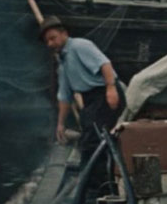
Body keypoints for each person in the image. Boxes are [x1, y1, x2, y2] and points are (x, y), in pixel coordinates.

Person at [41, 15, 125, 164]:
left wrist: (111, 89)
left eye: (52, 38)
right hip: (90, 100)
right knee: (87, 137)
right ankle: (92, 179)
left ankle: (98, 183)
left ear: (64, 33)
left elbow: (105, 64)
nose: (50, 43)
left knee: (94, 138)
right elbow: (65, 96)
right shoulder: (62, 62)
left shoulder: (80, 46)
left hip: (104, 93)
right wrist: (60, 124)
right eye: (47, 41)